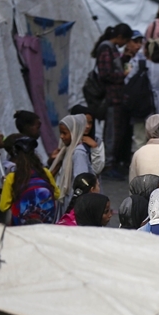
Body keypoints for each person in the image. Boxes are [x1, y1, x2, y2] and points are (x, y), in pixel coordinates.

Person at [92, 24, 133, 176]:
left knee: (115, 132)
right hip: (110, 97)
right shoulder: (106, 48)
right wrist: (123, 75)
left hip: (116, 97)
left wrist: (126, 58)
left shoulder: (112, 48)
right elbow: (106, 74)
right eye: (126, 40)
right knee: (111, 133)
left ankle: (111, 162)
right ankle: (107, 165)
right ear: (120, 37)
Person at [0, 136, 59, 226]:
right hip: (46, 224)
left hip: (23, 227)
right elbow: (57, 194)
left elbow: (3, 206)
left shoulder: (12, 177)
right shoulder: (45, 172)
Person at [49, 115, 92, 207]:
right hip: (68, 199)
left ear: (74, 132)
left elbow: (81, 181)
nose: (61, 136)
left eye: (64, 133)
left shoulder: (78, 153)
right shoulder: (67, 150)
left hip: (73, 201)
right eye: (60, 133)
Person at [68, 104, 106, 175]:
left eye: (90, 123)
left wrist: (94, 147)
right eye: (84, 122)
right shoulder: (67, 139)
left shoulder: (97, 142)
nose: (88, 126)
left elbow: (97, 170)